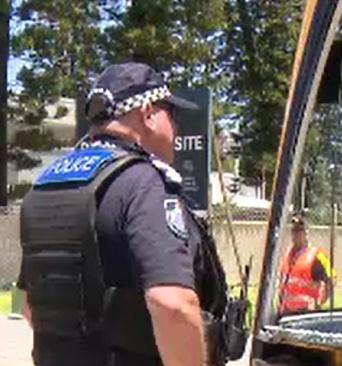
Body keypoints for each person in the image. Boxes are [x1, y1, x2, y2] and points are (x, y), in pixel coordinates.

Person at [17, 62, 228, 366]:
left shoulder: (45, 186)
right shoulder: (142, 183)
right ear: (148, 114)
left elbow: (30, 306)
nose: (177, 128)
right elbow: (173, 305)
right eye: (172, 114)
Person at [278, 216, 336, 315]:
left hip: (305, 313)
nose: (295, 234)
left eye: (299, 230)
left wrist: (320, 302)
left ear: (306, 233)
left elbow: (331, 280)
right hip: (286, 312)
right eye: (294, 230)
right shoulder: (287, 254)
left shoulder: (317, 255)